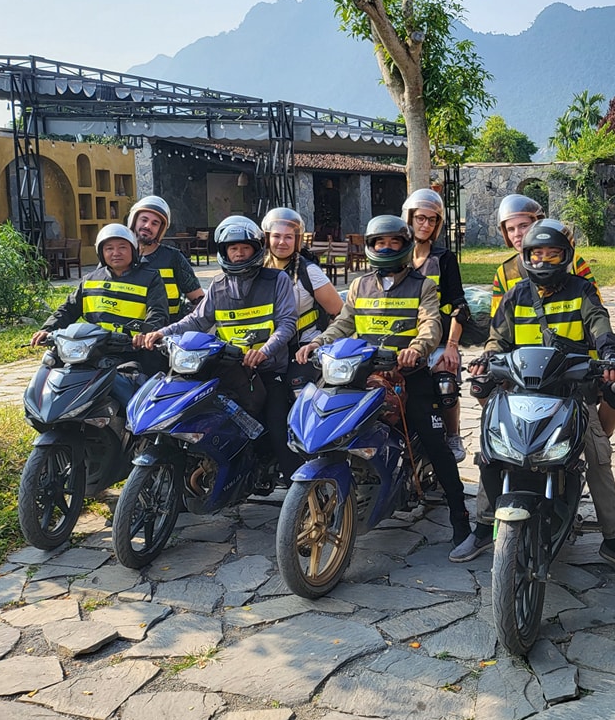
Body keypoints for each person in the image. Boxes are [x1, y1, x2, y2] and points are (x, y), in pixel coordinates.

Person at [460, 219, 615, 577]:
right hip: (519, 391)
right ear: (526, 256)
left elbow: (599, 325)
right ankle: (483, 527)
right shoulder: (515, 295)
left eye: (553, 254)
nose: (544, 261)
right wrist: (487, 360)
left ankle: (613, 541)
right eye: (538, 254)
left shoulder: (582, 290)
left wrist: (609, 356)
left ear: (566, 256)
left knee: (597, 456)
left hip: (571, 392)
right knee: (491, 449)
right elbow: (497, 339)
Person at [295, 214, 474, 552]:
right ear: (371, 247)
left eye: (394, 242)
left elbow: (431, 323)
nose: (387, 248)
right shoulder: (359, 286)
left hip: (409, 375)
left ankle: (460, 518)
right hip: (362, 374)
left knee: (436, 442)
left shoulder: (423, 285)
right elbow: (344, 323)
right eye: (380, 243)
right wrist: (318, 342)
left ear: (405, 246)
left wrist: (417, 349)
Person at [138, 216, 297, 484]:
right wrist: (163, 333)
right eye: (233, 248)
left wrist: (265, 351)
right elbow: (196, 320)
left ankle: (298, 492)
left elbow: (287, 324)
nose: (239, 253)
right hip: (229, 369)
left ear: (256, 250)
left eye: (244, 248)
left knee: (278, 429)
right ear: (224, 252)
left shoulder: (277, 279)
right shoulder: (219, 285)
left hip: (269, 370)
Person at [490, 193, 615, 438]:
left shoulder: (576, 270)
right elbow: (498, 328)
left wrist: (608, 354)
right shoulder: (506, 275)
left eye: (524, 226)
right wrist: (490, 357)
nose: (518, 234)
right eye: (511, 229)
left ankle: (599, 438)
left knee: (598, 442)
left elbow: (595, 314)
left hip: (572, 367)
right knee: (486, 393)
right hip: (524, 371)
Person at [31, 224, 168, 383]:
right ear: (101, 253)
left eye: (122, 247)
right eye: (109, 248)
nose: (116, 253)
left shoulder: (150, 278)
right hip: (92, 351)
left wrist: (146, 334)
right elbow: (68, 309)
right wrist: (48, 329)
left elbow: (158, 312)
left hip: (132, 352)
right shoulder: (90, 280)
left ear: (133, 250)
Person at [402, 188, 471, 463]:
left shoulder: (444, 258)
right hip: (400, 340)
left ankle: (452, 434)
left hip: (438, 338)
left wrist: (452, 346)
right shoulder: (395, 255)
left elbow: (459, 306)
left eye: (432, 220)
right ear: (409, 218)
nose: (426, 225)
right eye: (420, 218)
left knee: (446, 382)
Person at [261, 206, 342, 354]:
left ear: (297, 240)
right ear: (267, 238)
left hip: (303, 347)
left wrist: (321, 343)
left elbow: (340, 314)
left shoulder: (309, 272)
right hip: (265, 348)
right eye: (276, 236)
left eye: (288, 237)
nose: (282, 242)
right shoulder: (259, 270)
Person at [127, 195, 204, 320]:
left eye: (155, 223)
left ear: (160, 229)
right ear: (134, 221)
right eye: (144, 220)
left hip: (166, 329)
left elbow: (199, 301)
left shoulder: (173, 258)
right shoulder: (117, 256)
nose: (147, 226)